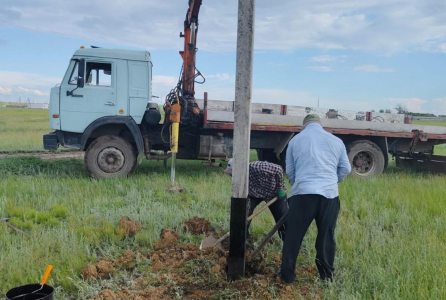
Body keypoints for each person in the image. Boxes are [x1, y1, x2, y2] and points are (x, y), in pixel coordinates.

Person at [280, 114, 351, 284]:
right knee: (326, 236)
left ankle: (287, 277)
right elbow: (346, 169)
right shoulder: (336, 141)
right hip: (329, 195)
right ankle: (326, 277)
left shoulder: (295, 141)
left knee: (293, 237)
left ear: (304, 126)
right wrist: (332, 181)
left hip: (303, 193)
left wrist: (299, 184)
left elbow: (290, 170)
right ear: (320, 125)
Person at [224, 159, 289, 240]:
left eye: (233, 173)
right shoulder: (239, 179)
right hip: (254, 194)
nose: (232, 176)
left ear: (241, 169)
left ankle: (287, 240)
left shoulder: (258, 167)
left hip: (273, 193)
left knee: (282, 217)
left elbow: (278, 169)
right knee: (244, 213)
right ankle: (243, 238)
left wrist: (279, 187)